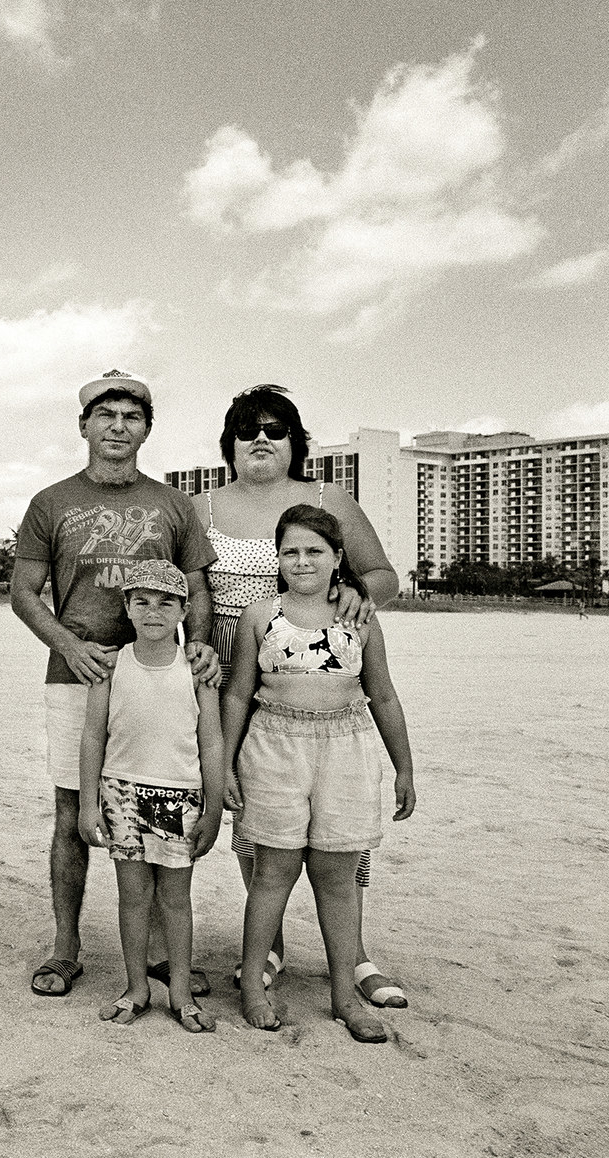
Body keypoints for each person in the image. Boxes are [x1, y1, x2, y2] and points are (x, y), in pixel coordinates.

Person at [196, 385, 407, 1008]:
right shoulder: (199, 505)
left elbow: (382, 575)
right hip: (233, 671)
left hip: (315, 665)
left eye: (276, 429)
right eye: (248, 429)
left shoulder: (328, 499)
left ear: (296, 443)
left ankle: (357, 952)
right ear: (230, 443)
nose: (262, 439)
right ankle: (271, 946)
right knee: (255, 818)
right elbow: (192, 591)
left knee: (339, 829)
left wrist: (355, 595)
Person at [11, 370, 218, 1000]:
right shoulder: (51, 503)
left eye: (132, 417)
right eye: (106, 417)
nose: (118, 428)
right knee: (74, 813)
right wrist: (70, 646)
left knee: (158, 805)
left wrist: (198, 648)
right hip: (77, 675)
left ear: (146, 430)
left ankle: (157, 953)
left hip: (157, 677)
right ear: (84, 426)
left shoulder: (174, 504)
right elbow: (23, 591)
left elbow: (199, 586)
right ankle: (66, 947)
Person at [222, 506, 416, 1043]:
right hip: (274, 748)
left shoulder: (359, 617)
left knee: (337, 878)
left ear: (337, 560)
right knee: (272, 873)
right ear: (277, 560)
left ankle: (342, 997)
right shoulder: (261, 617)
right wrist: (226, 764)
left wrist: (404, 766)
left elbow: (383, 692)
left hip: (346, 749)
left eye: (315, 551)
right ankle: (255, 988)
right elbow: (239, 692)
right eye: (290, 551)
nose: (302, 561)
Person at [78, 561, 223, 1031]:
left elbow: (212, 741)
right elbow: (93, 737)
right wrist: (86, 804)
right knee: (133, 896)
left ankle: (180, 991)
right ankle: (136, 987)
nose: (153, 612)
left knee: (176, 900)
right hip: (120, 792)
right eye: (142, 601)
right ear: (127, 607)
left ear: (184, 610)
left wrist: (214, 806)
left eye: (166, 603)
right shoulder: (111, 666)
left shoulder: (197, 672)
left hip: (178, 796)